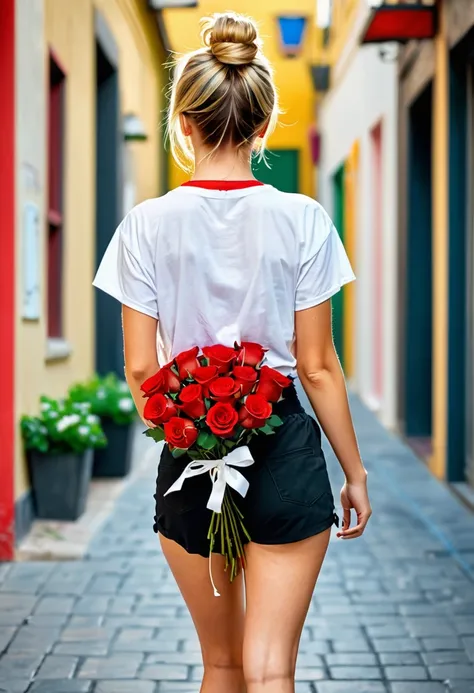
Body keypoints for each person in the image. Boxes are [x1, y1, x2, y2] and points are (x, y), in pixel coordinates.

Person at [93, 11, 371, 693]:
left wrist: (187, 429)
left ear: (183, 123)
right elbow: (317, 364)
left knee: (221, 663)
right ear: (262, 122)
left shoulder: (145, 226)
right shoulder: (304, 218)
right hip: (286, 460)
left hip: (192, 457)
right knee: (271, 667)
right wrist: (355, 472)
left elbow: (138, 367)